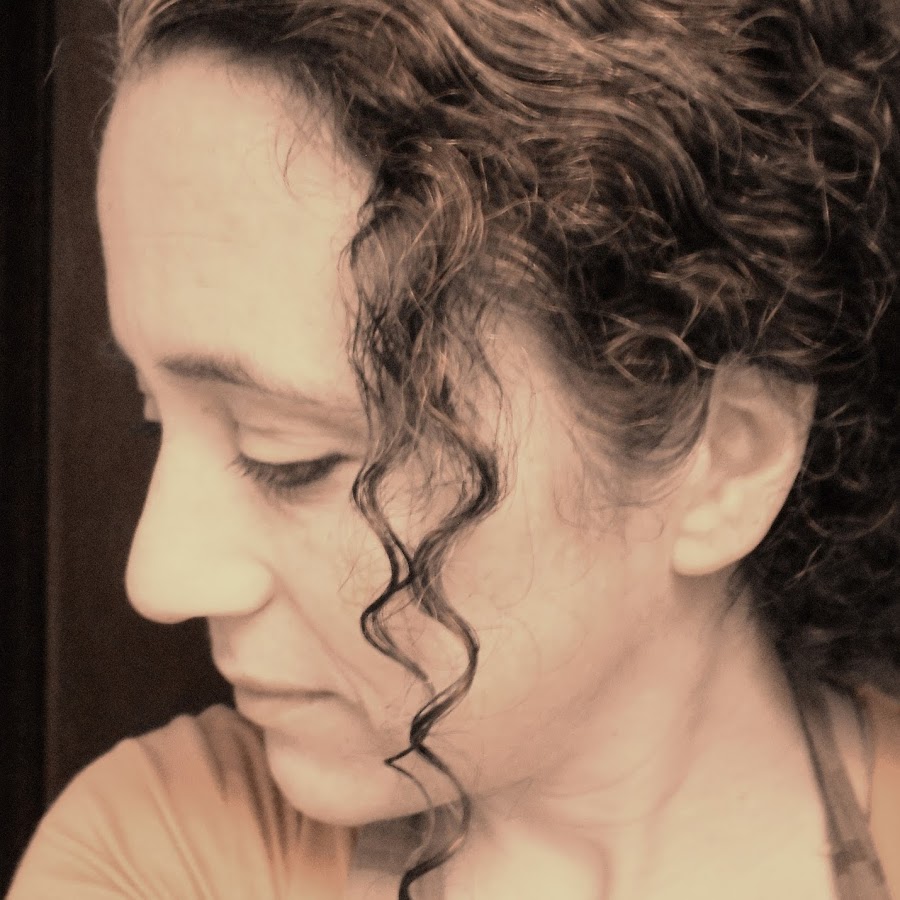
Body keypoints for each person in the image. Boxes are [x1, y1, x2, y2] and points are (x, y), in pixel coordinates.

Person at [8, 0, 900, 897]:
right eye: (153, 420)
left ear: (725, 460)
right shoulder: (156, 854)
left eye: (287, 454)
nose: (159, 578)